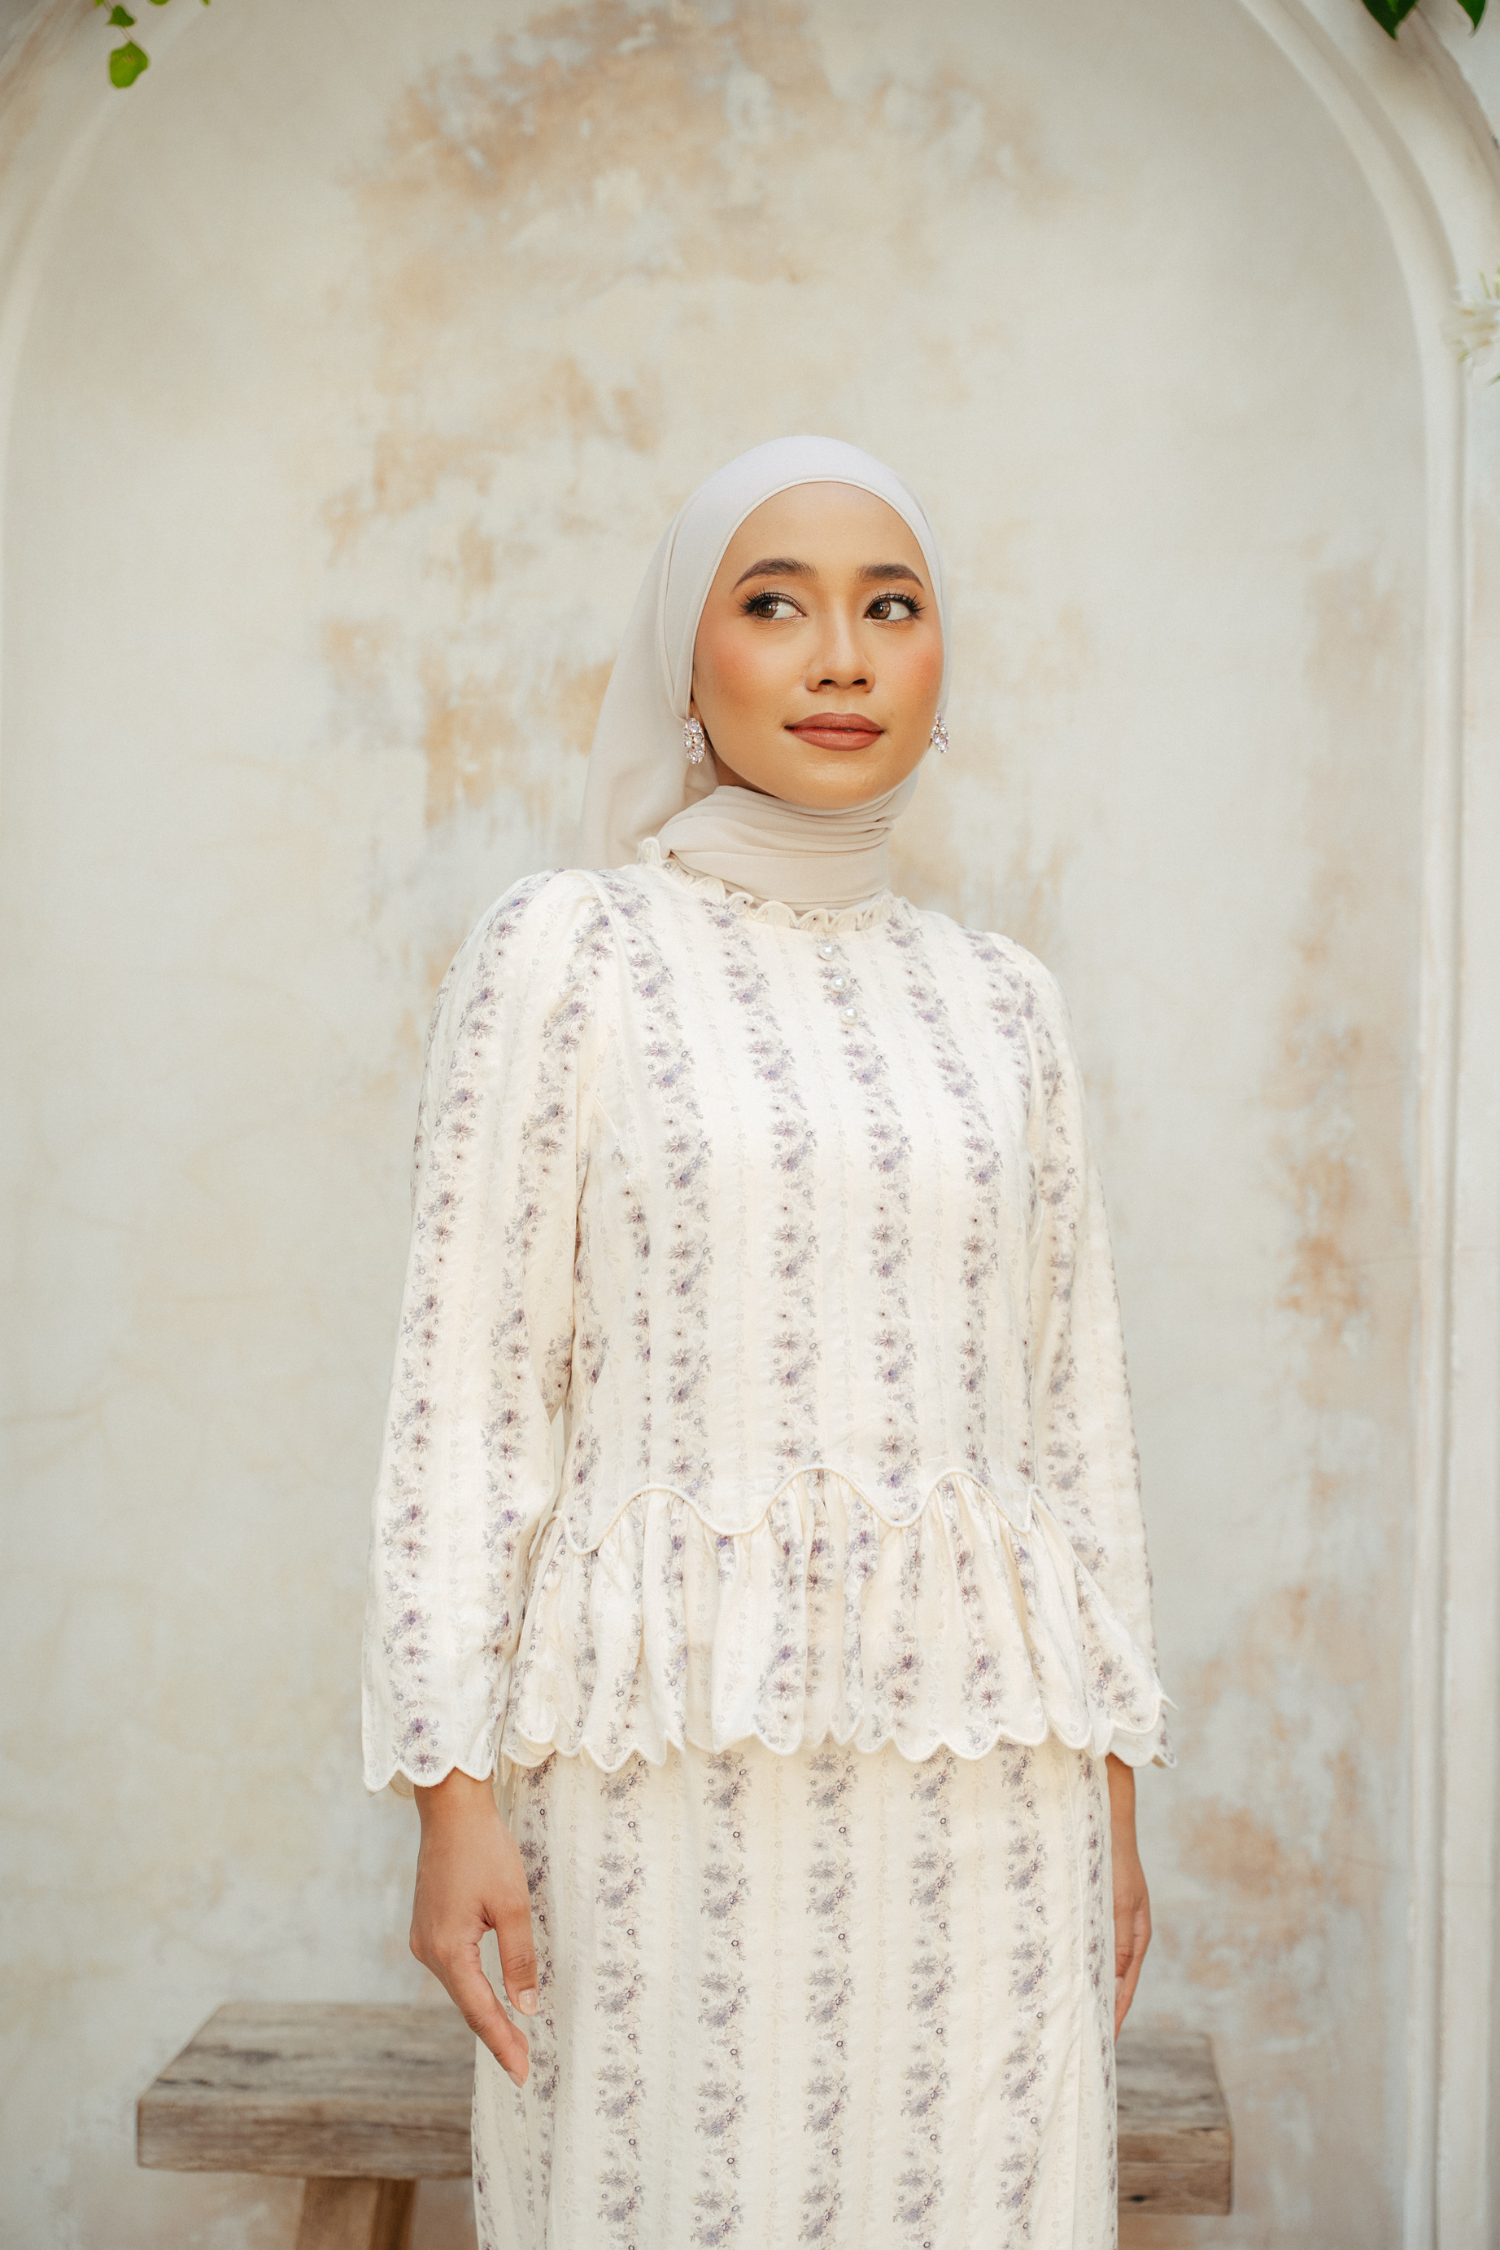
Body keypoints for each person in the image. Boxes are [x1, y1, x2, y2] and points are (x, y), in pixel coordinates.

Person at [362, 436, 1171, 2250]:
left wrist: (1117, 1801)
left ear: (941, 661)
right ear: (688, 656)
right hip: (657, 1776)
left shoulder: (1004, 1003)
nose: (842, 657)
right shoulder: (569, 953)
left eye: (892, 606)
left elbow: (1074, 1421)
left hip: (993, 1788)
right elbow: (468, 1400)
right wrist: (448, 1796)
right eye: (776, 604)